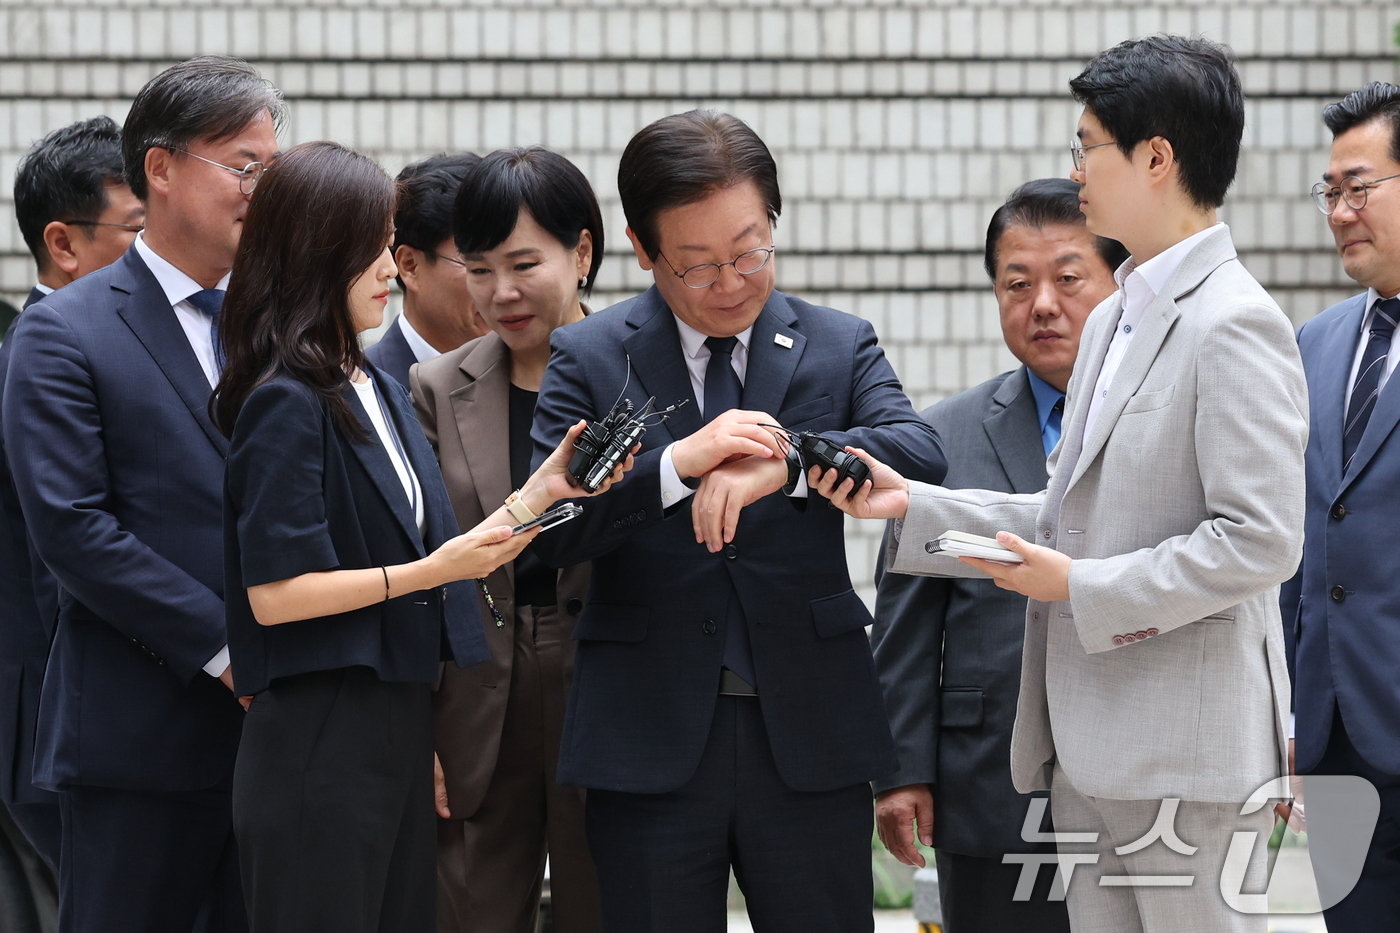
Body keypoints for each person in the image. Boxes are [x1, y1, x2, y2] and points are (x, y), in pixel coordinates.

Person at [812, 36, 1306, 933]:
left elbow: (1260, 539)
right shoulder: (1121, 314)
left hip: (1185, 756)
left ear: (1155, 158)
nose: (1075, 169)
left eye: (1089, 146)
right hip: (1083, 750)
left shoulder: (1236, 324)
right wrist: (914, 507)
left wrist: (1082, 587)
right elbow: (1073, 515)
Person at [528, 109, 946, 933]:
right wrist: (680, 465)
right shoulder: (590, 354)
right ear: (643, 251)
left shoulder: (836, 341)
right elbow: (550, 529)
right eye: (697, 265)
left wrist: (786, 461)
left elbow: (918, 449)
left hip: (807, 722)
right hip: (646, 732)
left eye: (751, 250)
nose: (731, 282)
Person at [213, 141, 627, 933]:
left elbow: (458, 539)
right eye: (373, 247)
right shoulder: (286, 401)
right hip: (319, 733)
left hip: (396, 726)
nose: (391, 268)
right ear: (315, 250)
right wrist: (428, 571)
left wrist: (543, 491)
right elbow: (274, 595)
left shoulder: (373, 387)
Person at [2, 56, 282, 933]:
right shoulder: (64, 332)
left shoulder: (277, 322)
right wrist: (228, 650)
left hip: (277, 739)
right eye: (243, 166)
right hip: (138, 739)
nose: (261, 190)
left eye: (271, 170)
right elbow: (74, 529)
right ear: (159, 169)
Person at [871, 178, 1125, 933]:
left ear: (1121, 283)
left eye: (1068, 278)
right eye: (1018, 283)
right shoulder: (942, 437)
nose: (1043, 303)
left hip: (1137, 776)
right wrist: (902, 769)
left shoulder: (1166, 421)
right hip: (989, 782)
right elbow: (905, 622)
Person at [411, 147, 603, 933]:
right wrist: (417, 726)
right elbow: (422, 560)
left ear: (582, 252)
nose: (502, 293)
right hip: (476, 684)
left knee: (609, 903)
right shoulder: (435, 385)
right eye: (479, 268)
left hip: (609, 673)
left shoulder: (643, 369)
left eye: (525, 263)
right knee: (470, 910)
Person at [0, 115, 143, 878]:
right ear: (63, 243)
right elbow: (71, 543)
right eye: (139, 227)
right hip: (64, 722)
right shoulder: (38, 357)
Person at [1286, 80, 1400, 931]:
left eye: (1359, 188)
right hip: (1332, 745)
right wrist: (1290, 714)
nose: (1338, 212)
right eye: (1330, 191)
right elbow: (1298, 542)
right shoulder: (1315, 342)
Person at [367, 153, 489, 387]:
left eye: (516, 265)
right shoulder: (362, 389)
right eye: (480, 267)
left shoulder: (535, 377)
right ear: (410, 266)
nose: (503, 290)